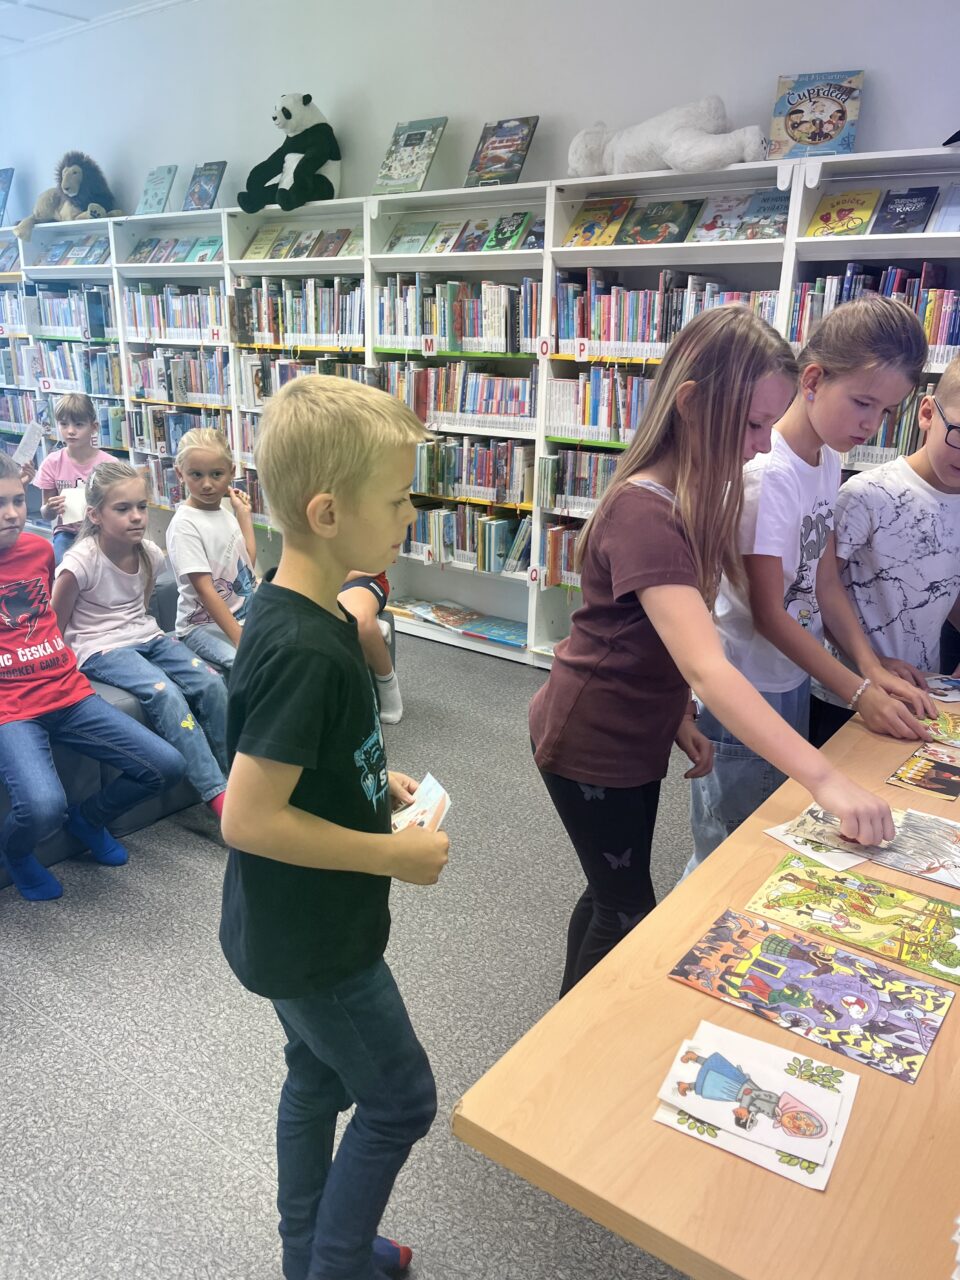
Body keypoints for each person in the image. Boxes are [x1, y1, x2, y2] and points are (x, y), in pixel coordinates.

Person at [528, 306, 895, 998]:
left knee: (610, 890)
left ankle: (562, 1015)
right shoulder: (646, 511)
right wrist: (824, 779)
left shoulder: (696, 491)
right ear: (692, 404)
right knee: (626, 909)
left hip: (635, 730)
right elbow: (706, 663)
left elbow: (652, 636)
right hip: (591, 741)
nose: (761, 445)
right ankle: (561, 1045)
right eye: (752, 425)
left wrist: (675, 715)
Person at [218, 375, 450, 1280]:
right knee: (400, 1100)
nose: (409, 515)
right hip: (316, 941)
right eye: (395, 501)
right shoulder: (306, 650)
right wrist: (389, 853)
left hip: (294, 927)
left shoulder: (298, 611)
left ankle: (306, 1249)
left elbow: (294, 757)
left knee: (316, 1077)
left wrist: (371, 779)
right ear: (326, 513)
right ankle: (335, 1263)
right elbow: (248, 817)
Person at [688, 298, 935, 870]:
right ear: (814, 380)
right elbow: (768, 613)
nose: (871, 425)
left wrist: (870, 666)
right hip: (747, 685)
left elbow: (824, 579)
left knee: (768, 833)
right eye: (863, 403)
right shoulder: (768, 473)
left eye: (886, 411)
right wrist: (857, 691)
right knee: (725, 852)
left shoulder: (823, 458)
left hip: (791, 675)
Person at [0, 454, 184, 901]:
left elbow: (48, 619)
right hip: (12, 709)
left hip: (68, 691)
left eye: (18, 500)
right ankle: (16, 853)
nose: (12, 514)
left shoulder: (40, 551)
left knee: (167, 766)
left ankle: (89, 818)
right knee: (43, 806)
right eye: (0, 504)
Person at [50, 461, 229, 819]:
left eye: (141, 507)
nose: (136, 517)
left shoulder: (150, 553)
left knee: (211, 683)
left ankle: (237, 776)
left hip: (147, 635)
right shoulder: (79, 563)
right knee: (166, 694)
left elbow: (141, 606)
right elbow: (56, 624)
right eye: (122, 509)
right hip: (100, 646)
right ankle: (217, 794)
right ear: (95, 515)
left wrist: (145, 634)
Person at [809, 352, 960, 743]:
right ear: (927, 414)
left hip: (923, 694)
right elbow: (820, 592)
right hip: (845, 697)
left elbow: (944, 587)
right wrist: (872, 663)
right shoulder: (866, 495)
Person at [165, 427, 257, 671]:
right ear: (180, 473)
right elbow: (205, 590)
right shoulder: (185, 524)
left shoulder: (224, 514)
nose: (207, 484)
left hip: (241, 616)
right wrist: (240, 639)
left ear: (232, 473)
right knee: (250, 666)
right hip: (200, 627)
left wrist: (243, 515)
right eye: (196, 475)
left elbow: (246, 567)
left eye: (216, 474)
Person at [32, 393, 113, 564]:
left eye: (79, 424)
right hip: (67, 532)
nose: (70, 431)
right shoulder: (52, 463)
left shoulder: (109, 464)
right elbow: (46, 514)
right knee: (62, 565)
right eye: (64, 424)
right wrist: (50, 508)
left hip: (102, 530)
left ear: (94, 427)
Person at [338, 568, 403, 723]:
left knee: (359, 620)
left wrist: (337, 577)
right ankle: (373, 622)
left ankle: (388, 685)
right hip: (318, 581)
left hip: (361, 579)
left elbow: (376, 564)